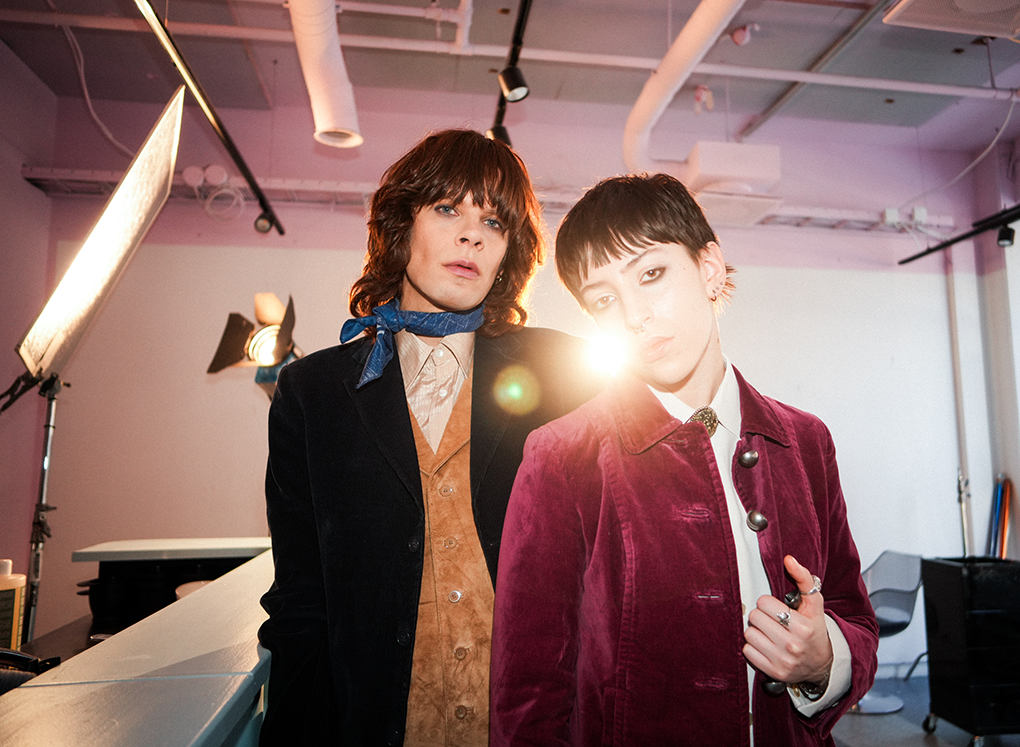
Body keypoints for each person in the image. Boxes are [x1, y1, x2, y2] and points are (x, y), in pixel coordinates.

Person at [489, 173, 878, 746]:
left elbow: (853, 614)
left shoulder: (806, 440)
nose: (635, 315)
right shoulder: (561, 456)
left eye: (651, 274)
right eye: (604, 299)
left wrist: (825, 660)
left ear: (710, 268)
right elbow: (527, 700)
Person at [257, 129, 603, 747]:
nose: (472, 235)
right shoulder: (312, 393)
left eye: (493, 223)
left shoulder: (567, 373)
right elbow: (301, 607)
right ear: (401, 225)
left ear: (507, 253)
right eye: (448, 210)